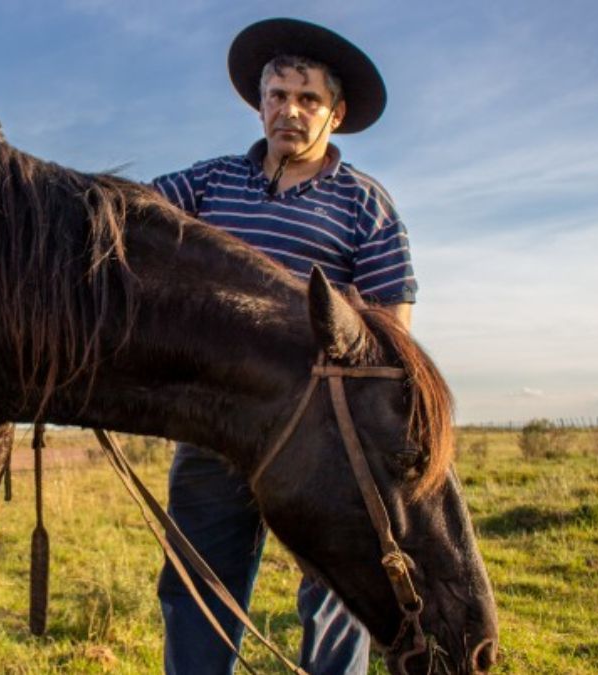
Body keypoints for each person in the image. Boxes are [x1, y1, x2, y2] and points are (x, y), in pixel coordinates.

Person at [151, 18, 417, 674]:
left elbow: (393, 333)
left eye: (307, 99)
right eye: (276, 96)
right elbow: (125, 214)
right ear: (259, 103)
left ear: (337, 112)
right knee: (197, 589)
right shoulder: (208, 184)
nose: (288, 111)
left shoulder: (366, 205)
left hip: (320, 438)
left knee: (336, 593)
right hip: (215, 427)